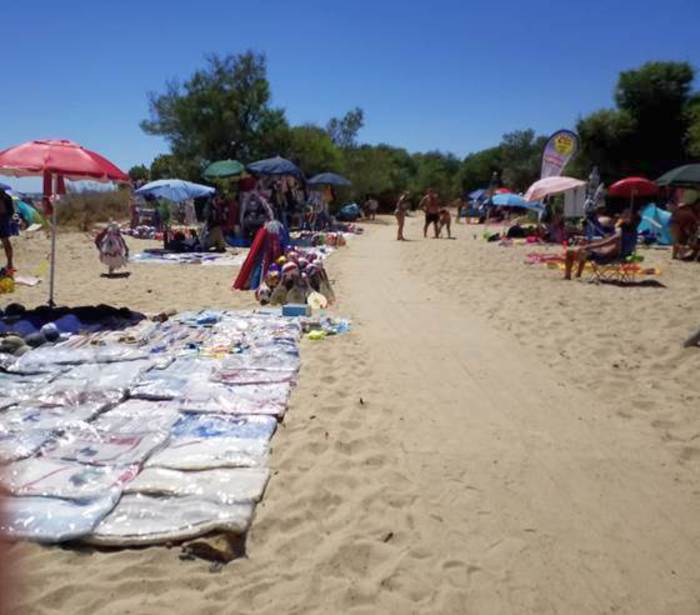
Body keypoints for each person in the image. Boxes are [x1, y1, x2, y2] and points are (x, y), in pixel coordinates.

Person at [564, 208, 640, 279]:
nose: (621, 215)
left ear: (630, 218)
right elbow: (607, 241)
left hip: (605, 258)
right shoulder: (634, 232)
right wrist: (589, 243)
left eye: (624, 214)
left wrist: (588, 246)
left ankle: (567, 276)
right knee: (585, 246)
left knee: (570, 252)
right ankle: (578, 274)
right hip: (624, 256)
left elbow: (605, 243)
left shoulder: (620, 231)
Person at [0, 188, 15, 274]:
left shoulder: (6, 197)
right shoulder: (7, 196)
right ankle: (10, 263)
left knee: (6, 242)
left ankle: (9, 263)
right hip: (4, 219)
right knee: (6, 242)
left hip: (3, 219)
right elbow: (11, 211)